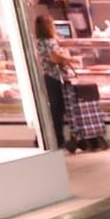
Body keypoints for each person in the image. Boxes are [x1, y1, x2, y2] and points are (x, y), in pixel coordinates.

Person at [34, 13, 77, 151]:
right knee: (57, 110)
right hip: (55, 78)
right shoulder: (49, 42)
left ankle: (44, 137)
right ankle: (58, 139)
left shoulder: (39, 41)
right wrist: (70, 60)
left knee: (53, 110)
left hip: (48, 77)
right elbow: (55, 58)